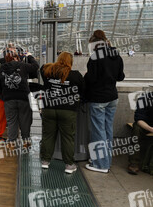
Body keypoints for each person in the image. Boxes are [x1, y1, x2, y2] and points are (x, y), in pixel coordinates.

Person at [84, 30, 125, 173]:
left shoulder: (96, 57)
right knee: (108, 130)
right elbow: (121, 77)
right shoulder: (116, 55)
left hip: (98, 98)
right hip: (113, 97)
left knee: (98, 131)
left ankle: (100, 165)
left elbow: (91, 79)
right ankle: (106, 160)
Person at [39, 52, 85, 174]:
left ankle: (45, 161)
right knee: (68, 138)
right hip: (68, 111)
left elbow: (41, 67)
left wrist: (54, 65)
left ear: (58, 60)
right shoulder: (75, 75)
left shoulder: (48, 72)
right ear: (71, 62)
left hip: (48, 109)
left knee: (48, 135)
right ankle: (69, 165)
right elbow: (83, 91)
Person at [0, 50, 39, 148]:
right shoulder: (22, 65)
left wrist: (3, 95)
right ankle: (26, 141)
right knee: (25, 120)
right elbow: (35, 66)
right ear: (16, 57)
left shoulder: (2, 68)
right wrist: (30, 56)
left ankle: (11, 142)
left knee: (11, 121)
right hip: (23, 96)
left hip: (8, 98)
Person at [127, 91, 153, 175]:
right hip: (146, 124)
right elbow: (138, 119)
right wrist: (151, 129)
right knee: (136, 129)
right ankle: (134, 163)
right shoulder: (143, 99)